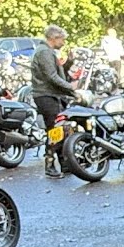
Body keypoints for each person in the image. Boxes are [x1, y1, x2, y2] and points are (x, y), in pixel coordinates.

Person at [31, 25, 77, 179]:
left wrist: (68, 63)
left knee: (61, 130)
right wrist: (71, 89)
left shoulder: (47, 52)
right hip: (47, 96)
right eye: (62, 39)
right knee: (55, 131)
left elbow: (55, 72)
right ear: (54, 38)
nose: (63, 42)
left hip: (50, 95)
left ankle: (65, 164)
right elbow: (51, 76)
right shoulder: (44, 52)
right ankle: (50, 165)